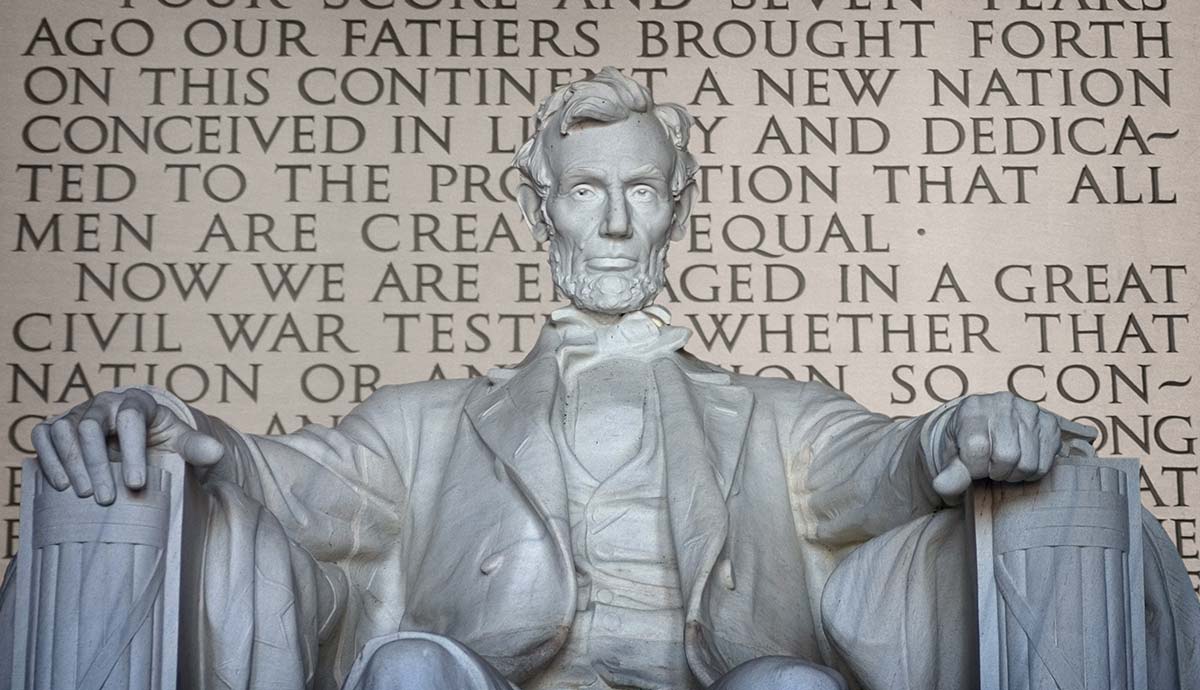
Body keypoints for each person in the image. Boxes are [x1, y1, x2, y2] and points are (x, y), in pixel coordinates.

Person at [7, 68, 1197, 690]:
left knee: (788, 687)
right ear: (541, 210)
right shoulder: (428, 427)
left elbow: (882, 462)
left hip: (728, 682)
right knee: (409, 666)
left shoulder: (770, 418)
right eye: (587, 190)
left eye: (642, 191)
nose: (618, 220)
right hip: (476, 680)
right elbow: (283, 477)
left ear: (678, 207)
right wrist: (170, 424)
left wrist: (964, 429)